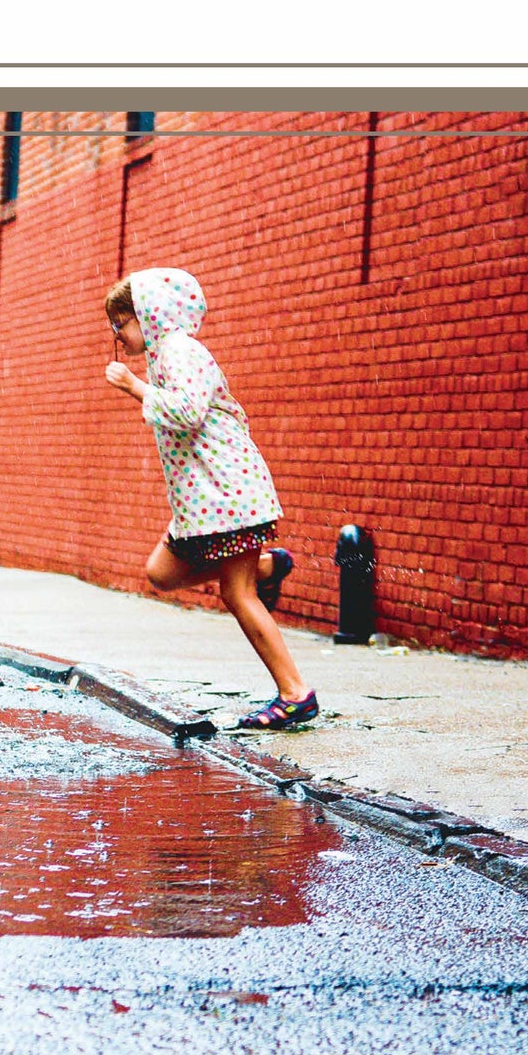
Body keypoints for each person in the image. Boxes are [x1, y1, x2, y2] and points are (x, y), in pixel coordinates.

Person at [104, 268, 318, 730]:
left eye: (119, 323)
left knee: (236, 594)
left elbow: (188, 410)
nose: (116, 336)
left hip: (229, 494)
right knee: (161, 572)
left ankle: (295, 693)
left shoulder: (181, 351)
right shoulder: (163, 355)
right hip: (202, 503)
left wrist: (133, 388)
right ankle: (267, 565)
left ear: (145, 315)